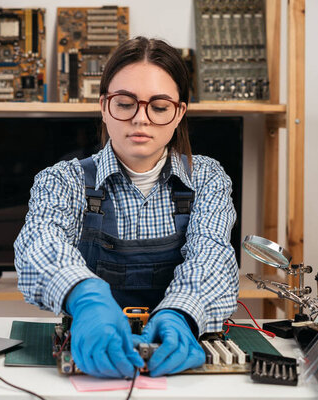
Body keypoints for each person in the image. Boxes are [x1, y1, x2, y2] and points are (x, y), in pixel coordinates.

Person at [14, 36, 239, 378]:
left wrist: (181, 314)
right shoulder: (62, 180)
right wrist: (85, 296)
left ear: (179, 113)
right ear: (104, 107)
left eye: (160, 107)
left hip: (176, 362)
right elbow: (39, 243)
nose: (141, 119)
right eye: (125, 104)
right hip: (92, 362)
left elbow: (212, 254)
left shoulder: (207, 178)